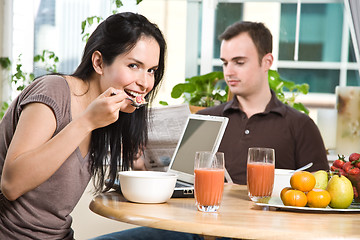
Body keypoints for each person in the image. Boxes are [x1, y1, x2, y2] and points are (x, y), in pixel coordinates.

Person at [0, 12, 166, 239]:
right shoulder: (53, 92)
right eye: (134, 65)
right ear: (98, 62)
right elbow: (11, 184)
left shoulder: (109, 114)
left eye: (151, 70)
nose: (145, 82)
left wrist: (138, 163)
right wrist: (86, 122)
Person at [197, 21, 330, 185]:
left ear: (267, 62)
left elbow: (318, 193)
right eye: (225, 63)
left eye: (239, 62)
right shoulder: (204, 119)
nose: (229, 72)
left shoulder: (301, 126)